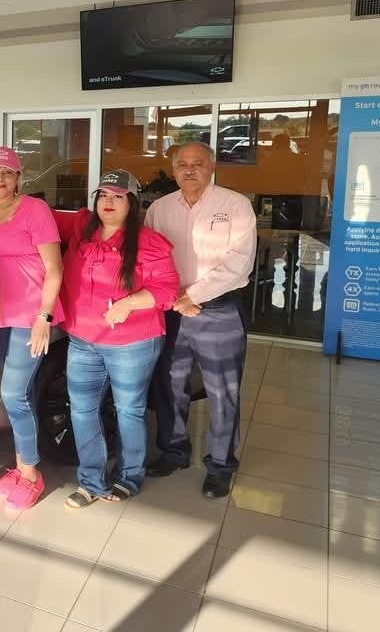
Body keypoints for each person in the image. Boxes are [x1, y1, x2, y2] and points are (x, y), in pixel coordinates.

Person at [54, 171, 179, 509]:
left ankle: (129, 476)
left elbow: (167, 289)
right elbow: (36, 217)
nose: (108, 202)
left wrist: (129, 302)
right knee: (81, 409)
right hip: (83, 339)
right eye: (102, 195)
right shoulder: (82, 229)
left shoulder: (149, 241)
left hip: (132, 342)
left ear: (132, 202)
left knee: (129, 410)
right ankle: (90, 481)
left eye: (118, 196)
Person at [145, 141, 257, 499]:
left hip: (220, 309)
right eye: (182, 164)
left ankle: (222, 465)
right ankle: (174, 451)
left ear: (211, 167)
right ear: (173, 169)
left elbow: (239, 262)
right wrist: (176, 300)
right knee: (170, 384)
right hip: (172, 311)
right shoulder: (159, 209)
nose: (189, 169)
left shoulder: (235, 204)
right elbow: (150, 258)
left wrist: (193, 296)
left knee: (223, 390)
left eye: (197, 163)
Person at [0, 146, 64, 511]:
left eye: (7, 173)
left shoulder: (34, 210)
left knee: (15, 395)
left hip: (27, 316)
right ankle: (21, 465)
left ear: (18, 177)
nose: (0, 179)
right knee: (8, 394)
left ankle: (30, 473)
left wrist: (45, 317)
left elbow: (54, 269)